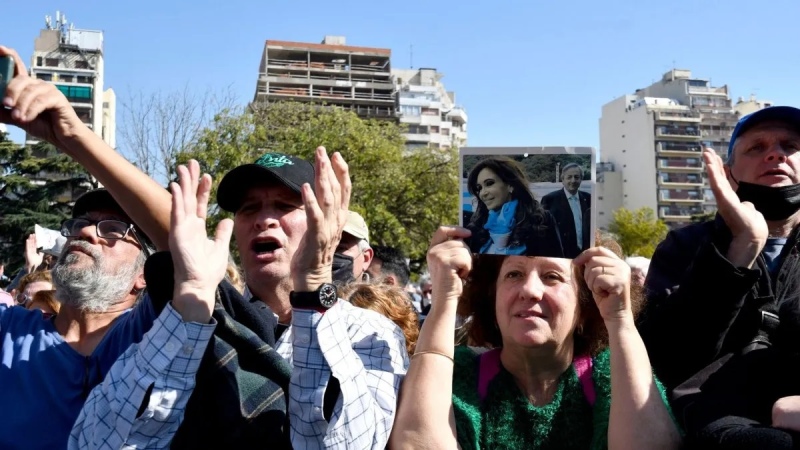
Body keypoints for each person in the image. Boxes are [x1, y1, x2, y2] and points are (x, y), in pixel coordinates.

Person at [390, 227, 682, 449]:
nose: (529, 290)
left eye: (552, 277)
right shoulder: (459, 374)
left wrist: (619, 318)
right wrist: (445, 296)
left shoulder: (608, 374)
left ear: (585, 307)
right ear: (491, 299)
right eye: (514, 274)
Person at [640, 106, 800, 446]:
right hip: (719, 428)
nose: (776, 154)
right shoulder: (684, 247)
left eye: (790, 145)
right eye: (756, 148)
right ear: (728, 175)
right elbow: (666, 358)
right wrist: (740, 250)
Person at [465, 156, 564, 257]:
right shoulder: (476, 226)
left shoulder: (541, 221)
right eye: (479, 188)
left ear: (510, 185)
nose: (483, 193)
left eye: (489, 183)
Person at [541, 163, 592, 258]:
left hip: (585, 254)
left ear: (581, 179)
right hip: (561, 255)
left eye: (577, 177)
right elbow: (543, 231)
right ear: (562, 179)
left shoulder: (589, 199)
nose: (573, 180)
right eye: (569, 177)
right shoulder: (550, 200)